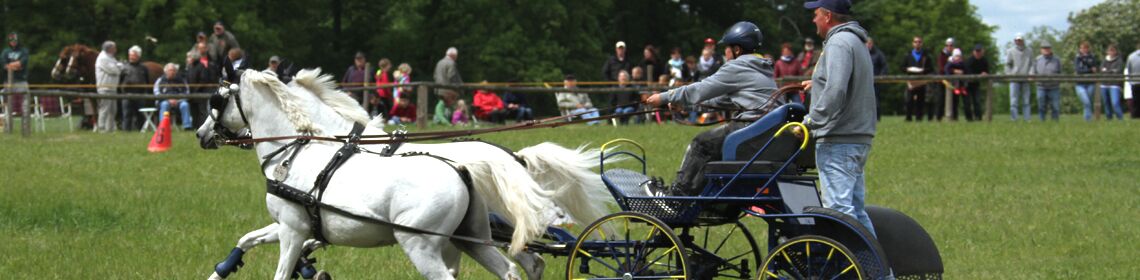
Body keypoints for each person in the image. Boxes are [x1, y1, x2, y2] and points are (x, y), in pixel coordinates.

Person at [644, 21, 781, 196]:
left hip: (752, 130)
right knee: (712, 145)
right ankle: (699, 196)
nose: (725, 53)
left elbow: (701, 88)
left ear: (737, 49)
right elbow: (720, 100)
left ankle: (676, 197)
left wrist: (664, 97)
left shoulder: (737, 66)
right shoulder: (761, 69)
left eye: (727, 48)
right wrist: (685, 104)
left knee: (702, 144)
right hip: (767, 133)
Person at [796, 0, 878, 235]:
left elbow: (836, 90)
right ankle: (876, 260)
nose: (813, 19)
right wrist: (817, 84)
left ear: (828, 16)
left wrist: (811, 122)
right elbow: (844, 84)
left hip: (839, 138)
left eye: (816, 14)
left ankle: (856, 259)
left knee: (839, 211)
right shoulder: (856, 41)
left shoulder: (838, 42)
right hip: (856, 136)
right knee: (856, 211)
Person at [95, 40, 125, 133]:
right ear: (109, 48)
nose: (116, 49)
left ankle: (110, 128)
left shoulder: (111, 57)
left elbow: (119, 66)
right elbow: (114, 70)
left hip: (112, 88)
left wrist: (119, 67)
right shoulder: (103, 58)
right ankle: (102, 128)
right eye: (114, 47)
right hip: (105, 87)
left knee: (113, 110)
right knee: (104, 109)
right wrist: (119, 68)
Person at [902, 36, 934, 122]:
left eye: (919, 42)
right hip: (911, 81)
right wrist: (908, 69)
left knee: (920, 101)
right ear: (913, 43)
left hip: (922, 81)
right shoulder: (908, 55)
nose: (917, 44)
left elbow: (931, 68)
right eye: (915, 42)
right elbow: (902, 67)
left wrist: (923, 70)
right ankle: (908, 118)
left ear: (922, 43)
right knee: (909, 100)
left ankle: (919, 118)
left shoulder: (926, 56)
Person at [119, 46, 151, 131]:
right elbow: (120, 81)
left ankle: (141, 132)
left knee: (140, 115)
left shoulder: (144, 68)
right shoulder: (124, 68)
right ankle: (126, 132)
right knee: (126, 115)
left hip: (140, 95)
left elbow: (147, 81)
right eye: (130, 55)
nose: (131, 57)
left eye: (133, 55)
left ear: (138, 56)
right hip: (127, 95)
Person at [154, 63, 192, 130]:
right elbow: (156, 92)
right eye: (170, 70)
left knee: (185, 105)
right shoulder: (160, 80)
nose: (172, 72)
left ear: (176, 72)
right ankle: (163, 127)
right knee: (164, 104)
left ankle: (187, 126)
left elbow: (187, 92)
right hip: (165, 101)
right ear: (166, 71)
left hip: (179, 101)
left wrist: (178, 100)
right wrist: (168, 100)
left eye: (174, 70)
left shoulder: (182, 80)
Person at [1030, 41, 1062, 121]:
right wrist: (1032, 76)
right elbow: (1033, 70)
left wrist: (1058, 80)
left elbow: (1060, 71)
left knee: (1055, 106)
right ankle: (1042, 122)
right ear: (1041, 50)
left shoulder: (1057, 59)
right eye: (1044, 48)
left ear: (1051, 49)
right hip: (1041, 86)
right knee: (1041, 106)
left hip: (1054, 87)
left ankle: (1055, 122)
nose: (1046, 50)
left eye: (1048, 48)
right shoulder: (1037, 59)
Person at [1006, 33, 1034, 121]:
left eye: (1020, 40)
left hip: (1026, 78)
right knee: (1013, 101)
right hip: (1014, 79)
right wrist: (1009, 74)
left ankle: (1027, 119)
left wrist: (1031, 74)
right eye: (1017, 40)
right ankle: (1014, 119)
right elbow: (1008, 64)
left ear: (1023, 41)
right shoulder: (1010, 51)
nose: (1018, 42)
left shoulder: (1029, 51)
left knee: (1026, 100)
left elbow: (1032, 64)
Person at [2, 32, 30, 117]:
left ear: (18, 41)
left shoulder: (24, 51)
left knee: (25, 101)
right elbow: (3, 64)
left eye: (15, 40)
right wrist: (14, 66)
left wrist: (10, 65)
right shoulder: (5, 51)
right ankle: (8, 120)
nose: (13, 42)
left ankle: (25, 120)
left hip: (21, 80)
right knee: (8, 102)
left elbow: (22, 63)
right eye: (11, 41)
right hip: (8, 81)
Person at [964, 44, 991, 121]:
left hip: (976, 84)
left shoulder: (984, 61)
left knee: (977, 101)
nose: (978, 53)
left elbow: (987, 70)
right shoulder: (969, 61)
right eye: (976, 51)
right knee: (967, 102)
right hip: (967, 84)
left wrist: (985, 73)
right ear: (973, 52)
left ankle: (978, 118)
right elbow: (967, 72)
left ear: (983, 52)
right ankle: (969, 119)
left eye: (979, 51)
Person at [1073, 41, 1099, 121]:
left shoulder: (1092, 57)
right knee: (1086, 101)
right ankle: (1089, 119)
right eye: (1082, 48)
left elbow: (1095, 69)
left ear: (1088, 49)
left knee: (1088, 102)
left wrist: (1090, 70)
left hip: (1090, 83)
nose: (1084, 50)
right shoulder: (1077, 58)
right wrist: (1089, 70)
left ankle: (1087, 119)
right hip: (1080, 83)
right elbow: (1078, 70)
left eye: (1085, 48)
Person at [185, 50, 210, 127]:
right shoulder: (190, 67)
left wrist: (196, 90)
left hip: (201, 93)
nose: (187, 59)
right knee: (194, 110)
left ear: (193, 58)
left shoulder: (201, 66)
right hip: (191, 93)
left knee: (201, 111)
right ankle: (195, 126)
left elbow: (203, 80)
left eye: (189, 57)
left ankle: (203, 126)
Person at [1100, 45, 1125, 120]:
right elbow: (1101, 69)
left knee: (1115, 103)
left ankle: (1120, 118)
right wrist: (1111, 71)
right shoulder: (1104, 60)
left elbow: (1118, 71)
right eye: (1109, 50)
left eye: (1113, 50)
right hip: (1104, 84)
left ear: (1116, 51)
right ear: (1107, 52)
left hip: (1115, 84)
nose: (1111, 52)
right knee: (1106, 103)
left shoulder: (1119, 61)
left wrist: (1107, 71)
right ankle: (1109, 119)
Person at [867, 37, 888, 120]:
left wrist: (881, 76)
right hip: (864, 81)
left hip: (875, 81)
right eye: (866, 43)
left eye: (869, 43)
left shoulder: (878, 54)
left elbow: (884, 66)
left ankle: (877, 117)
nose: (868, 45)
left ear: (872, 44)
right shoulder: (862, 53)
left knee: (876, 100)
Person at [944, 48, 967, 121]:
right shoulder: (950, 64)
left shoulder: (963, 64)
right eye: (957, 56)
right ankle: (950, 117)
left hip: (960, 86)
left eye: (959, 56)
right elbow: (946, 71)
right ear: (953, 56)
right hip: (951, 86)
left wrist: (962, 72)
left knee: (956, 102)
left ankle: (956, 117)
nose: (958, 58)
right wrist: (954, 71)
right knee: (951, 102)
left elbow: (967, 71)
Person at [1127, 43, 1140, 118]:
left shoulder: (1131, 56)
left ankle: (1135, 116)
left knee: (1135, 100)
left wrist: (1130, 81)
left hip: (1135, 82)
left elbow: (1129, 70)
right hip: (1135, 81)